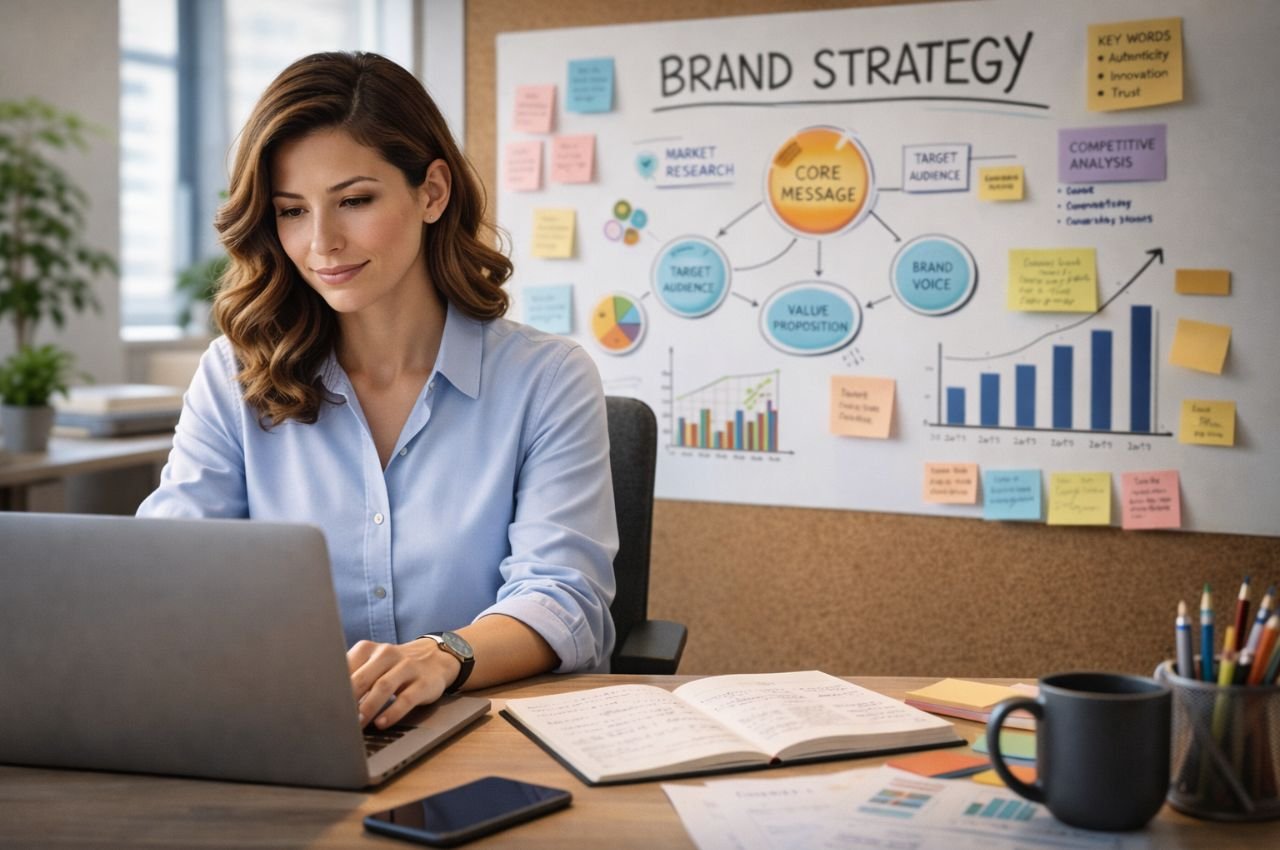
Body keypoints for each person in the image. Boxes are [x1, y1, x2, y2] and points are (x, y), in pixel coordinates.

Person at [137, 52, 617, 730]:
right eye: (292, 211)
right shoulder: (232, 376)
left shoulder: (547, 379)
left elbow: (564, 598)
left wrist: (442, 656)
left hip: (489, 732)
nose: (322, 243)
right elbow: (167, 573)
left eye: (355, 201)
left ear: (432, 193)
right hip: (282, 732)